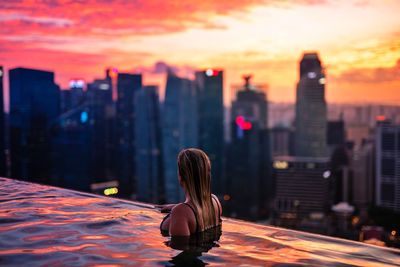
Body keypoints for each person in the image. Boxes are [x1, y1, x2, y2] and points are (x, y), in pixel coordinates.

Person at [157, 148, 222, 236]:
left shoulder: (180, 212)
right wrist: (177, 207)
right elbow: (199, 210)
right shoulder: (215, 201)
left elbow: (181, 248)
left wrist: (179, 209)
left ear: (181, 177)